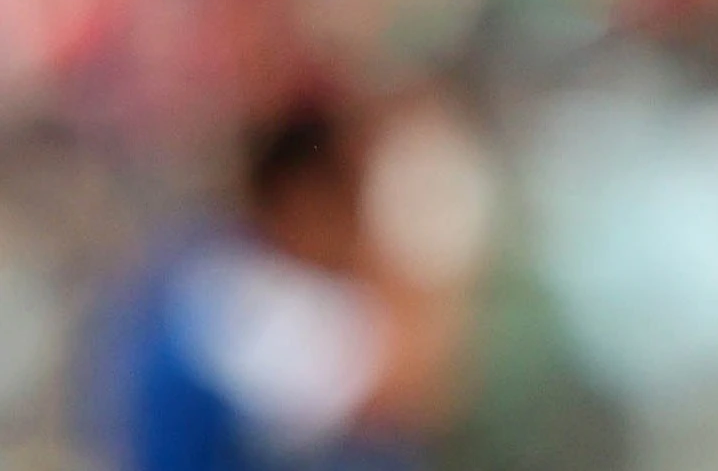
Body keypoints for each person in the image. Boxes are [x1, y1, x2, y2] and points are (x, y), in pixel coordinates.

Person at [97, 95, 460, 471]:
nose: (358, 227)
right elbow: (400, 390)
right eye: (349, 201)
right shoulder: (230, 291)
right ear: (303, 198)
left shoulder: (209, 267)